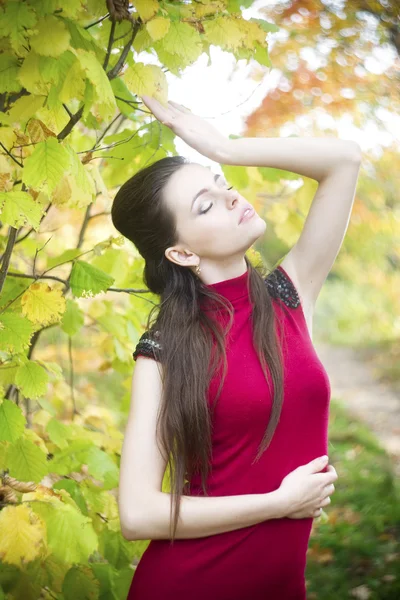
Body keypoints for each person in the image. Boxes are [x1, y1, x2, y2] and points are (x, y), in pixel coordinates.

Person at [111, 97, 341, 600]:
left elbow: (343, 161)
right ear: (182, 252)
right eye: (205, 204)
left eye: (223, 185)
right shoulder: (164, 351)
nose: (231, 197)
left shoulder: (289, 294)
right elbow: (138, 512)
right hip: (191, 584)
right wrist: (277, 503)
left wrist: (224, 149)